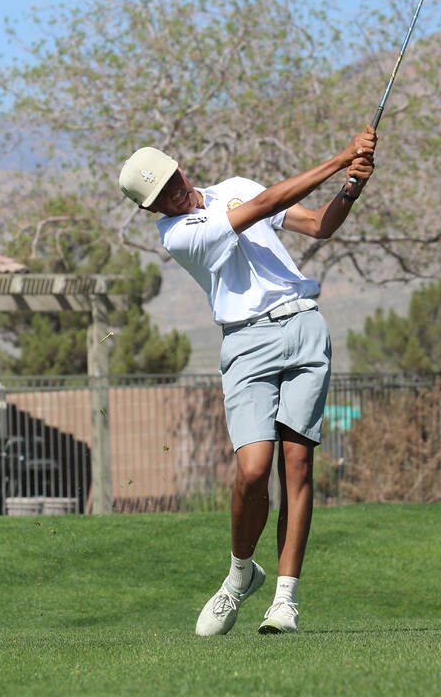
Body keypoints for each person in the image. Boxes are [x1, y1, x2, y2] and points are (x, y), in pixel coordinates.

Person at [117, 127, 376, 635]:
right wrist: (339, 155)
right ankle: (239, 575)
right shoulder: (179, 235)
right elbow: (259, 209)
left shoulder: (235, 184)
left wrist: (350, 187)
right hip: (246, 343)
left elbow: (319, 226)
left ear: (179, 167)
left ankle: (285, 600)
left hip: (303, 324)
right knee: (254, 470)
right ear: (151, 210)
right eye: (161, 196)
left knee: (297, 465)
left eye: (173, 179)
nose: (173, 193)